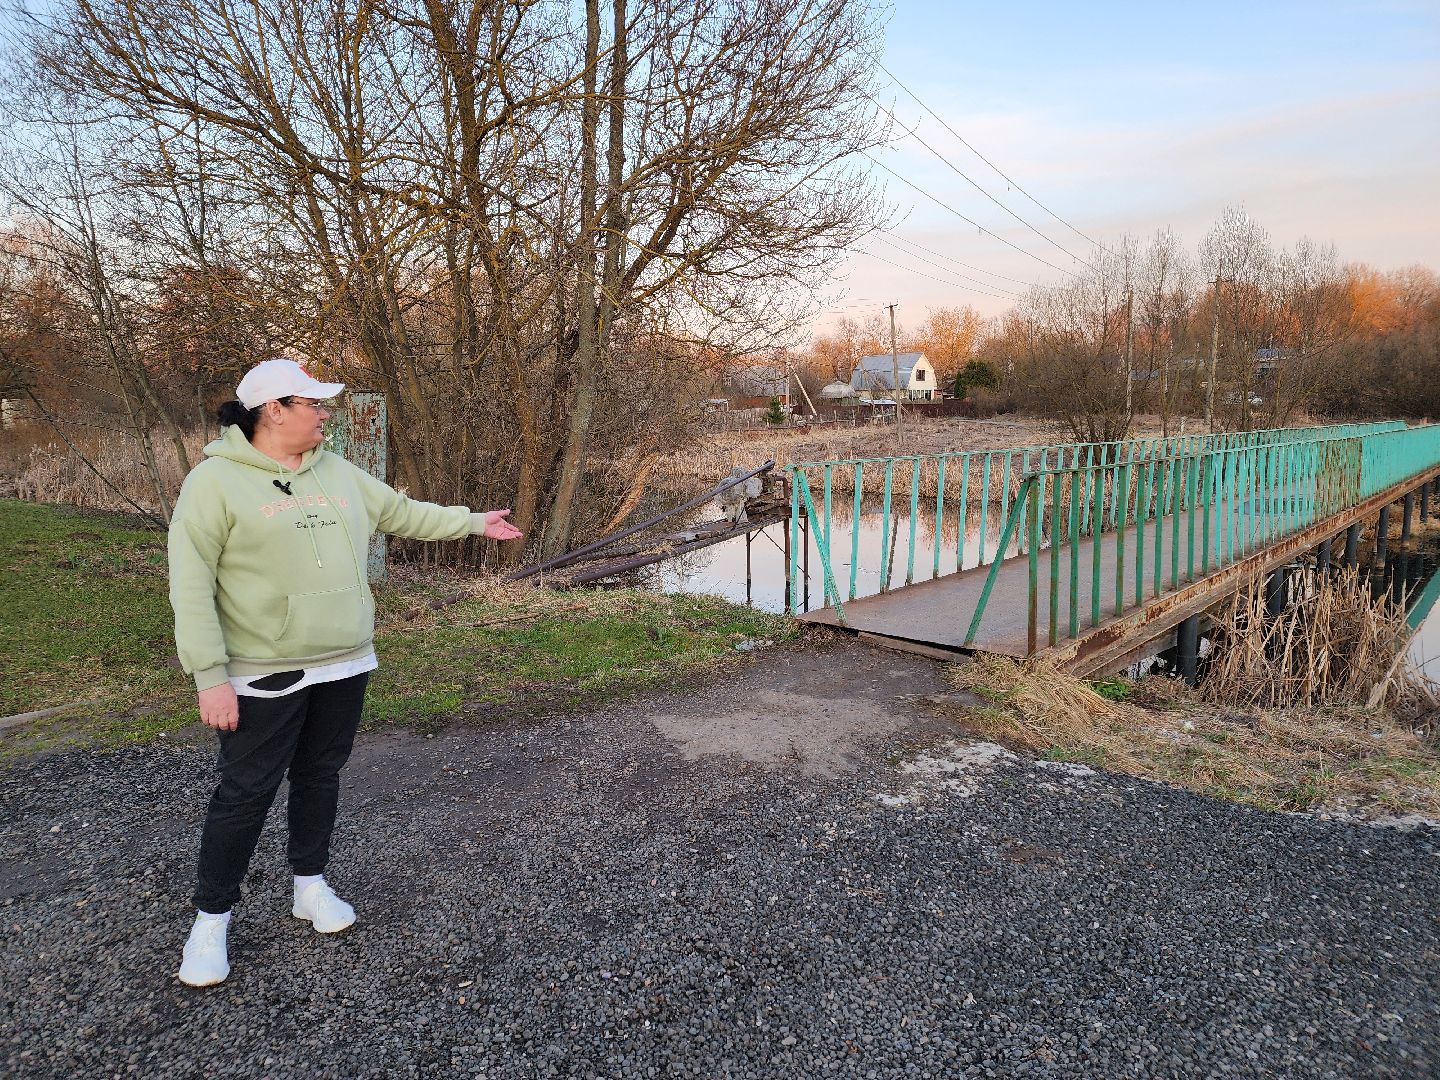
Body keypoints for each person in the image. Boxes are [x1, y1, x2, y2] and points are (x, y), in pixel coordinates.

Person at [167, 357, 522, 987]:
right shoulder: (213, 483)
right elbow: (190, 587)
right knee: (244, 793)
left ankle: (310, 887)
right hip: (262, 668)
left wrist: (473, 521)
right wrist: (209, 674)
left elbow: (402, 513)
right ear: (273, 409)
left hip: (345, 658)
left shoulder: (336, 470)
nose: (326, 413)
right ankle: (210, 922)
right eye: (314, 404)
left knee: (320, 775)